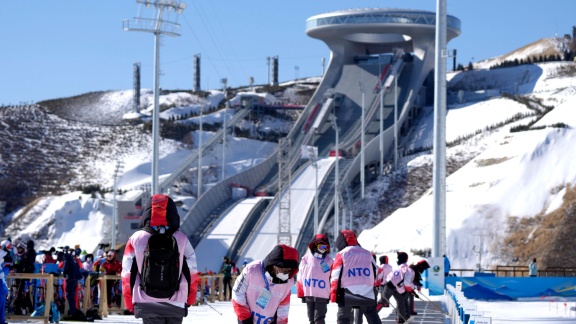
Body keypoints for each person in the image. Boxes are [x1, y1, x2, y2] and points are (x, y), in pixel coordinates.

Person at [122, 194, 199, 324]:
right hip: (176, 300)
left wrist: (129, 301)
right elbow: (192, 271)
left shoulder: (136, 238)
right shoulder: (181, 238)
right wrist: (190, 298)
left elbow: (127, 273)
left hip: (146, 300)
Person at [232, 244, 299, 324]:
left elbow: (283, 306)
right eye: (283, 269)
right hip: (247, 319)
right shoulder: (252, 270)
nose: (285, 273)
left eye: (289, 270)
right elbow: (238, 293)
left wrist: (281, 322)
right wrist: (245, 318)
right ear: (274, 264)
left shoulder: (288, 282)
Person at [330, 230, 381, 324]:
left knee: (343, 318)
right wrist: (374, 286)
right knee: (371, 313)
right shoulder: (367, 253)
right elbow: (376, 270)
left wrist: (333, 294)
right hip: (367, 291)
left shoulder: (341, 254)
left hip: (347, 291)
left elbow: (335, 276)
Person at [297, 233, 333, 324]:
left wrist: (332, 293)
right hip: (309, 293)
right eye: (320, 247)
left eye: (325, 248)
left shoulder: (329, 261)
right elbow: (300, 276)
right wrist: (301, 292)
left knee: (319, 318)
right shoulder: (305, 259)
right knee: (311, 318)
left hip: (322, 294)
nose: (322, 250)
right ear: (315, 246)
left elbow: (333, 277)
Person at [385, 252, 415, 323]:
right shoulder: (407, 269)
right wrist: (410, 289)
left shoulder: (399, 269)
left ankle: (402, 318)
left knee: (401, 301)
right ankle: (403, 318)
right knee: (401, 301)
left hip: (390, 286)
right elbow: (407, 283)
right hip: (397, 288)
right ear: (407, 259)